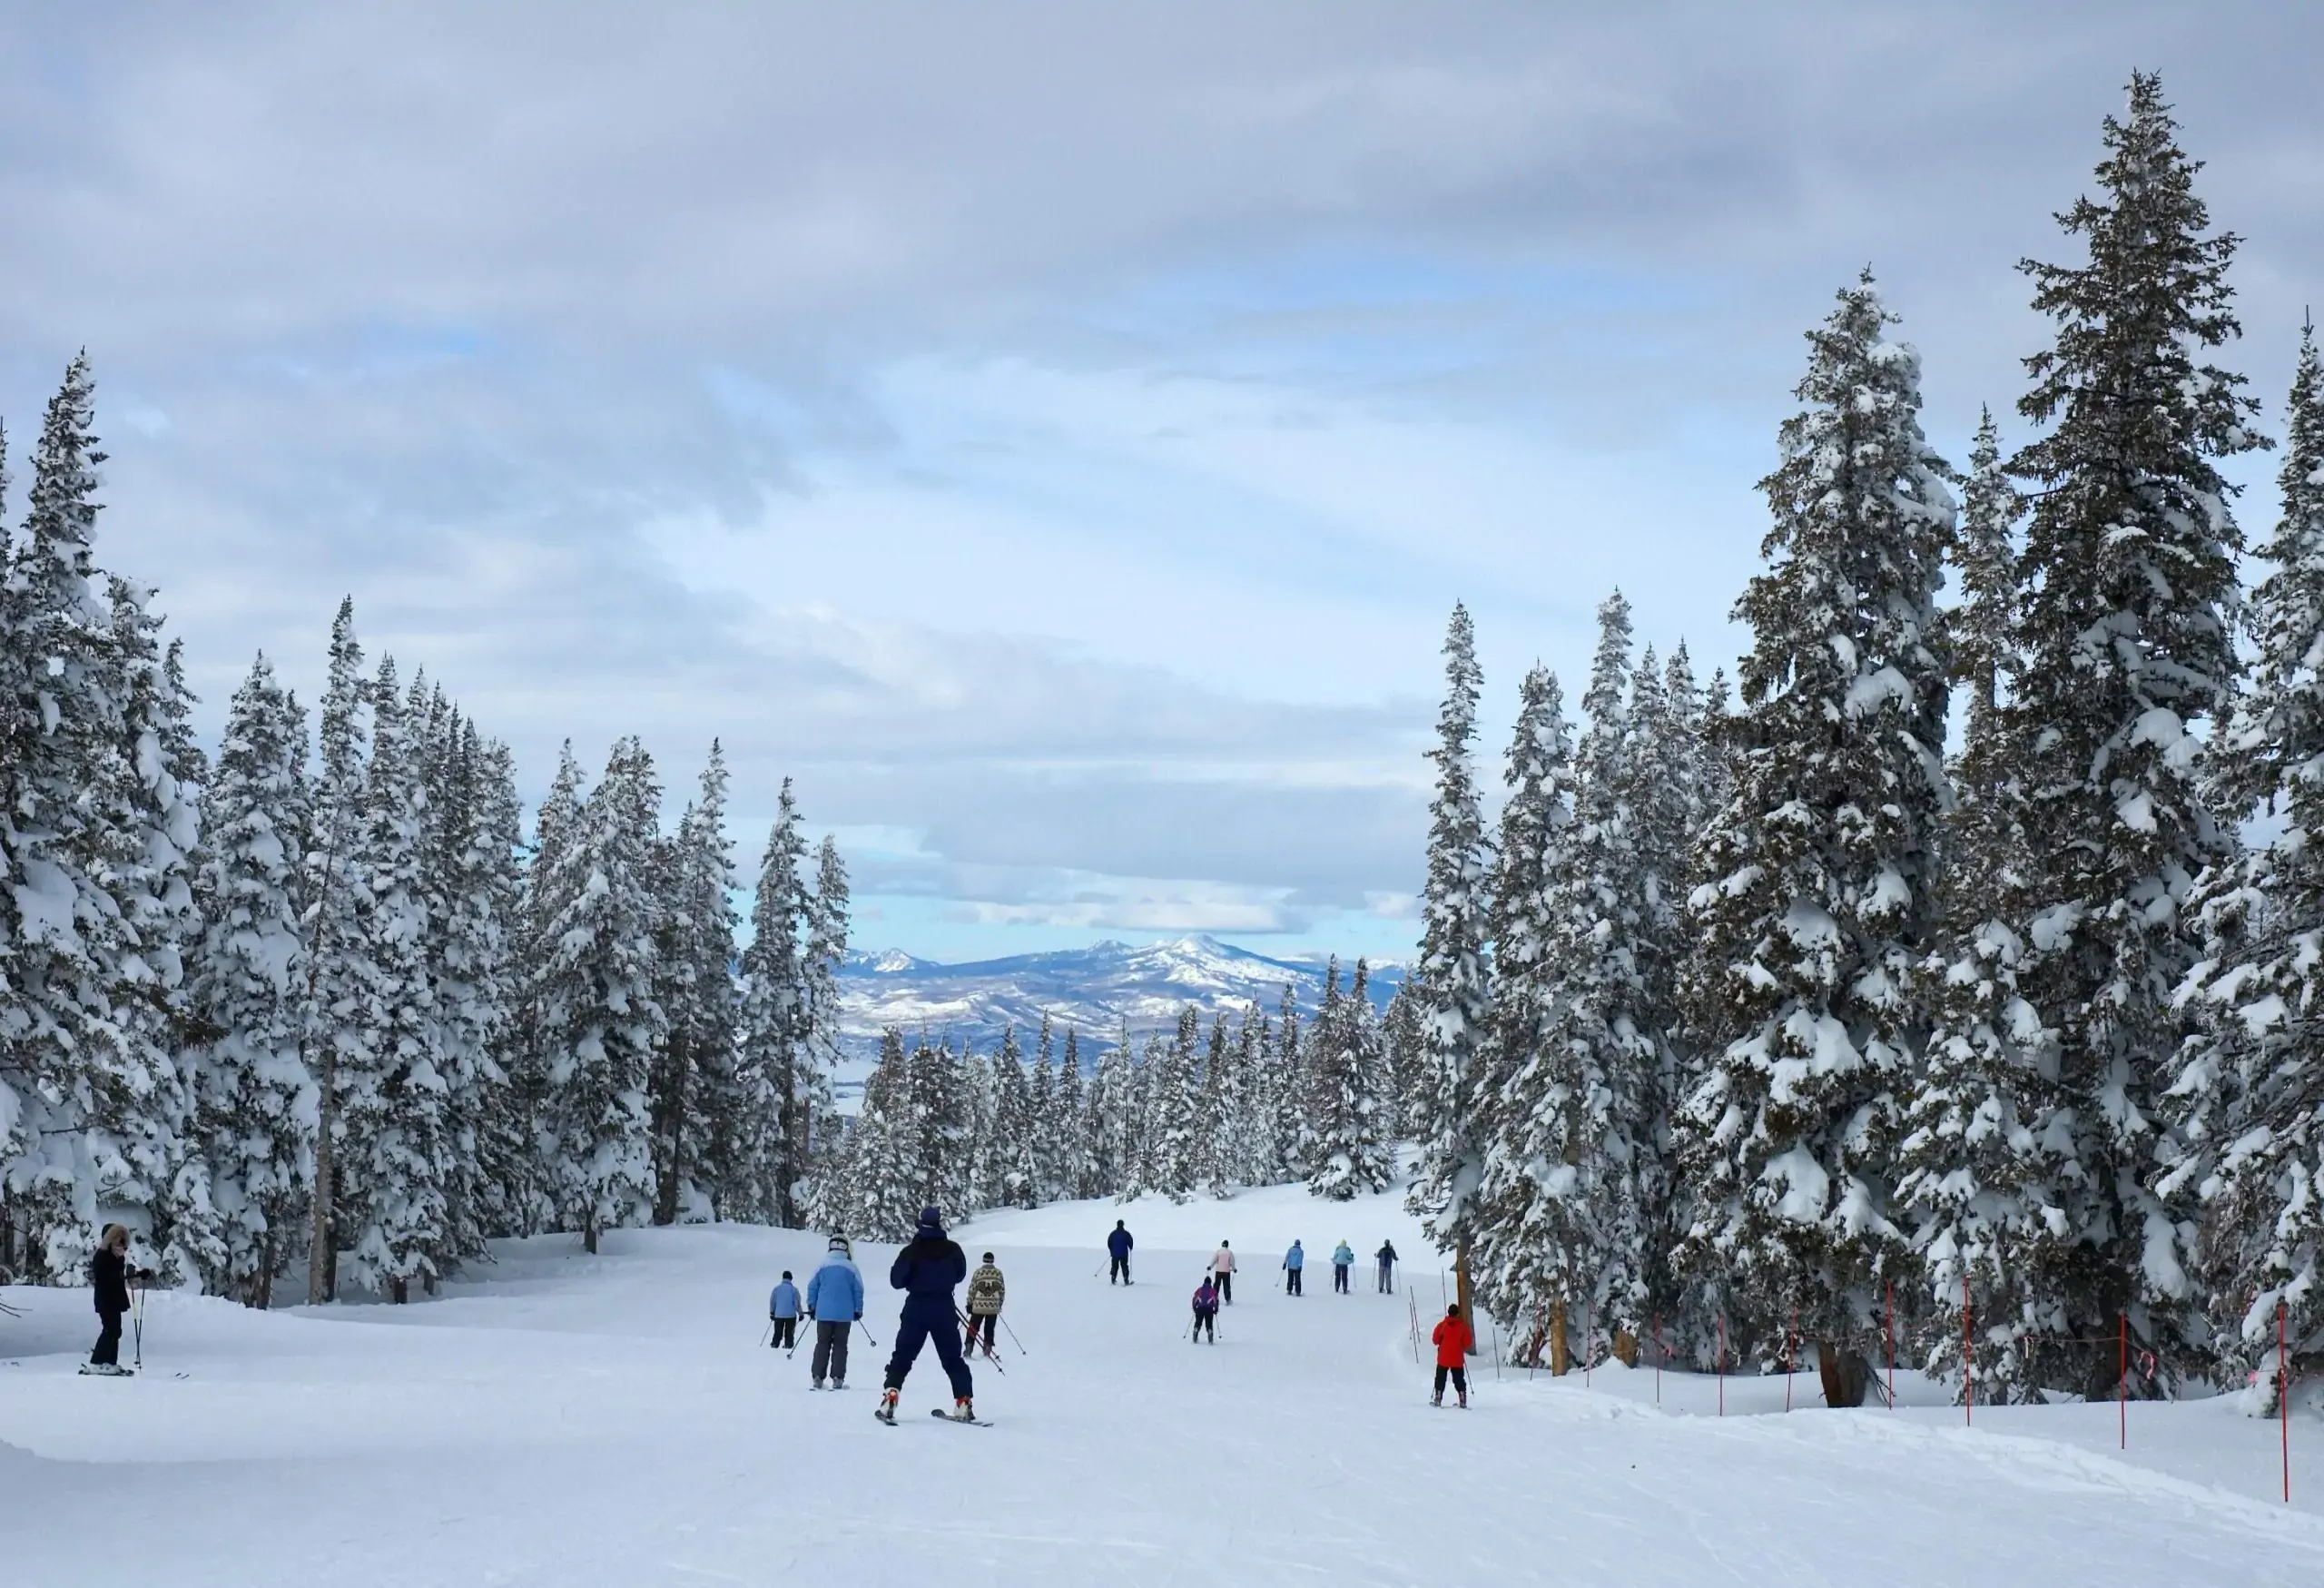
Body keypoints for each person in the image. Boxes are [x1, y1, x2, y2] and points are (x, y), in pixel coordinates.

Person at [878, 1206, 976, 1424]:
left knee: (903, 1355)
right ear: (939, 1223)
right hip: (943, 1307)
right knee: (952, 1358)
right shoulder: (953, 1249)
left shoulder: (911, 1251)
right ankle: (963, 1401)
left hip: (917, 1307)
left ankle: (891, 1395)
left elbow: (896, 1281)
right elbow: (960, 1275)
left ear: (920, 1224)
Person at [805, 1236, 864, 1389]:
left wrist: (812, 1306)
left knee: (822, 1343)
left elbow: (812, 1287)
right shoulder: (852, 1267)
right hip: (844, 1315)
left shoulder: (822, 1265)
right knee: (840, 1345)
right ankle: (838, 1377)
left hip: (823, 1313)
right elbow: (858, 1290)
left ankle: (818, 1376)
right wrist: (858, 1309)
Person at [85, 1224, 133, 1376]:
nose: (121, 1245)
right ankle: (97, 1362)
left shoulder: (117, 1257)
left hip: (115, 1298)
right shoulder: (102, 1255)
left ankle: (110, 1362)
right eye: (118, 1241)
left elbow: (118, 1277)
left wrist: (132, 1275)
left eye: (123, 1242)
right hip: (106, 1299)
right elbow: (103, 1277)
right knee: (110, 1329)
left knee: (115, 1330)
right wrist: (122, 1275)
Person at [1432, 1303, 1474, 1408]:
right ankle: (1462, 1397)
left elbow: (1435, 1340)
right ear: (1458, 1314)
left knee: (1440, 1378)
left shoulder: (1442, 1325)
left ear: (1448, 1313)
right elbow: (1468, 1342)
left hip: (1443, 1357)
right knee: (1459, 1379)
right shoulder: (1463, 1326)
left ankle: (1438, 1396)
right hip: (1457, 1358)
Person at [965, 1251, 1006, 1354]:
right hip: (993, 1307)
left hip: (978, 1306)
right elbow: (1002, 1291)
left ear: (983, 1260)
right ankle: (987, 1349)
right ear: (993, 1261)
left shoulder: (978, 1272)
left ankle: (969, 1349)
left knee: (973, 1327)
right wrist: (999, 1304)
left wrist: (970, 1303)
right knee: (989, 1329)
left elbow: (972, 1289)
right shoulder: (998, 1273)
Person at [769, 1270, 802, 1350]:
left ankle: (774, 1344)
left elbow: (772, 1301)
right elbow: (797, 1303)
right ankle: (788, 1344)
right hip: (791, 1315)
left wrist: (772, 1312)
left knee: (778, 1331)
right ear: (791, 1278)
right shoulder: (794, 1290)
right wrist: (800, 1314)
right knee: (789, 1332)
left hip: (778, 1315)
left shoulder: (776, 1289)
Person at [1191, 1277, 1219, 1343]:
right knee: (1209, 1323)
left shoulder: (1199, 1290)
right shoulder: (1213, 1291)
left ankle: (1196, 1330)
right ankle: (1210, 1332)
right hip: (1209, 1309)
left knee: (1198, 1322)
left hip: (1200, 1308)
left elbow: (1194, 1299)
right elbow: (1216, 1300)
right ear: (1210, 1283)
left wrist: (1194, 1307)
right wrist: (1216, 1309)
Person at [1107, 1219, 1134, 1285]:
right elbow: (1130, 1241)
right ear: (1123, 1225)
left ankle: (1113, 1279)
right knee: (1124, 1266)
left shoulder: (1113, 1233)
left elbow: (1109, 1242)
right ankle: (1126, 1279)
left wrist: (1111, 1250)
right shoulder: (1126, 1233)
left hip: (1115, 1254)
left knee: (1114, 1266)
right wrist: (1130, 1247)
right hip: (1124, 1254)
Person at [1210, 1239, 1236, 1305]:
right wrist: (1234, 1268)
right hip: (1226, 1272)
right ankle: (1228, 1300)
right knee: (1226, 1286)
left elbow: (1214, 1260)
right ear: (1227, 1245)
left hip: (1218, 1271)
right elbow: (1232, 1262)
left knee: (1216, 1285)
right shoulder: (1229, 1252)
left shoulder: (1218, 1252)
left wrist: (1210, 1266)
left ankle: (1214, 1298)